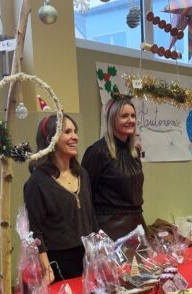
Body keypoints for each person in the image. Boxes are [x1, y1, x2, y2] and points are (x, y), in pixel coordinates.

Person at [24, 114, 98, 283]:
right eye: (67, 131)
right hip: (58, 261)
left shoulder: (82, 174)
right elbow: (35, 231)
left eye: (75, 131)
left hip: (87, 256)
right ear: (51, 139)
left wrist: (97, 254)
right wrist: (46, 268)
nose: (75, 137)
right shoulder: (37, 182)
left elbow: (90, 217)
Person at [81, 97, 145, 240]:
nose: (130, 120)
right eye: (124, 116)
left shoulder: (134, 152)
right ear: (112, 120)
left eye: (133, 116)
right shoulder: (97, 152)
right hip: (109, 230)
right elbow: (85, 196)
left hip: (136, 225)